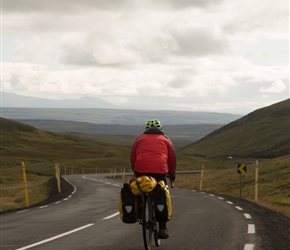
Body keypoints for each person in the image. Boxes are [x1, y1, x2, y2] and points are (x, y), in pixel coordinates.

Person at [130, 119, 176, 239]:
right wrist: (171, 173)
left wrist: (136, 171)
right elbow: (172, 159)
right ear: (161, 129)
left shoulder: (139, 139)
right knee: (161, 194)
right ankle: (162, 227)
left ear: (146, 129)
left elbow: (133, 157)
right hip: (159, 171)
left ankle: (141, 211)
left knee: (140, 190)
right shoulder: (165, 140)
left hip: (140, 169)